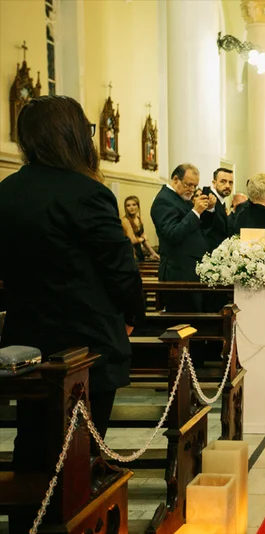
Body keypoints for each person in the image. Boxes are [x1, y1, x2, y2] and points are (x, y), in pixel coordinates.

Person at [0, 96, 145, 525]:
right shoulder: (87, 193)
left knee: (31, 444)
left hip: (27, 346)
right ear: (72, 136)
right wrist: (131, 313)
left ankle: (28, 519)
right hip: (87, 347)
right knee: (81, 450)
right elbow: (121, 268)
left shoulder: (7, 193)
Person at [151, 163, 214, 312]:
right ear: (175, 179)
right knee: (183, 322)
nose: (192, 190)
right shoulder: (164, 201)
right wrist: (195, 212)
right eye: (188, 185)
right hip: (178, 272)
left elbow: (202, 228)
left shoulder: (180, 199)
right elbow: (172, 234)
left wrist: (209, 209)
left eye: (195, 186)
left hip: (190, 271)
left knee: (194, 320)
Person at [121, 195, 160, 262]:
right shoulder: (125, 220)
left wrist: (153, 253)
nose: (131, 207)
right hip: (129, 253)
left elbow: (144, 240)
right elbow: (133, 240)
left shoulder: (139, 219)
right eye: (128, 205)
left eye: (134, 204)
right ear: (125, 208)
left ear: (138, 206)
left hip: (138, 251)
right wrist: (143, 238)